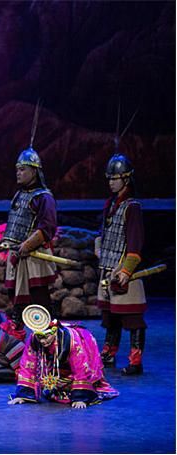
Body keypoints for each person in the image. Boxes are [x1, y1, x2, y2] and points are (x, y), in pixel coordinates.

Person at [1, 103, 58, 326]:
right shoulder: (19, 195)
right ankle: (17, 336)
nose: (18, 172)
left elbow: (47, 228)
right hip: (18, 254)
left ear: (34, 171)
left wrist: (27, 245)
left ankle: (49, 335)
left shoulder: (43, 197)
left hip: (34, 257)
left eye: (22, 169)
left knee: (38, 299)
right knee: (17, 299)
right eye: (17, 169)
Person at [8, 305, 119, 408]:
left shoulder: (71, 340)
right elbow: (27, 366)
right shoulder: (34, 339)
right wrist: (24, 395)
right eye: (40, 337)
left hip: (79, 364)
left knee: (74, 384)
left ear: (54, 331)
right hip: (56, 371)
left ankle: (79, 390)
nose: (43, 341)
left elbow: (80, 367)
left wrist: (80, 397)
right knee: (48, 385)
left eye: (47, 336)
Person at [95, 153, 146, 375]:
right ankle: (109, 353)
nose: (111, 182)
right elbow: (104, 232)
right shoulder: (111, 205)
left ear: (126, 179)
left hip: (124, 270)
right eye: (109, 178)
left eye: (115, 178)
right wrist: (99, 247)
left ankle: (136, 360)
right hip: (107, 268)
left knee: (132, 318)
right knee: (111, 316)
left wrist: (127, 269)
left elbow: (135, 241)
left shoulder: (132, 207)